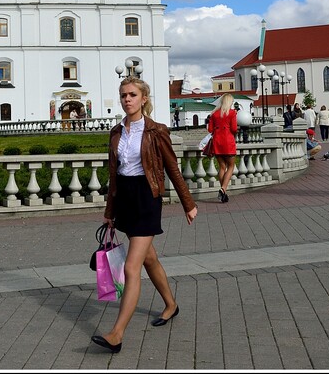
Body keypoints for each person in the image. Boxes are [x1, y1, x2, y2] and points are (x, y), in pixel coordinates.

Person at [90, 76, 197, 354]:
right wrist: (109, 211)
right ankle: (171, 305)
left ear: (144, 98)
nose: (127, 99)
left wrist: (188, 203)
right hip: (125, 199)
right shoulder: (116, 132)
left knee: (131, 267)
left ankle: (117, 333)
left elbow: (173, 168)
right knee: (149, 257)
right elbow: (114, 175)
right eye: (124, 95)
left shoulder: (156, 131)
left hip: (147, 198)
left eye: (133, 95)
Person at [208, 94, 238, 203]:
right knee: (231, 166)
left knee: (222, 167)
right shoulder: (232, 113)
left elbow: (210, 129)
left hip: (217, 142)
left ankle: (223, 193)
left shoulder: (214, 114)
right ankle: (223, 189)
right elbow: (234, 129)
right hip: (228, 142)